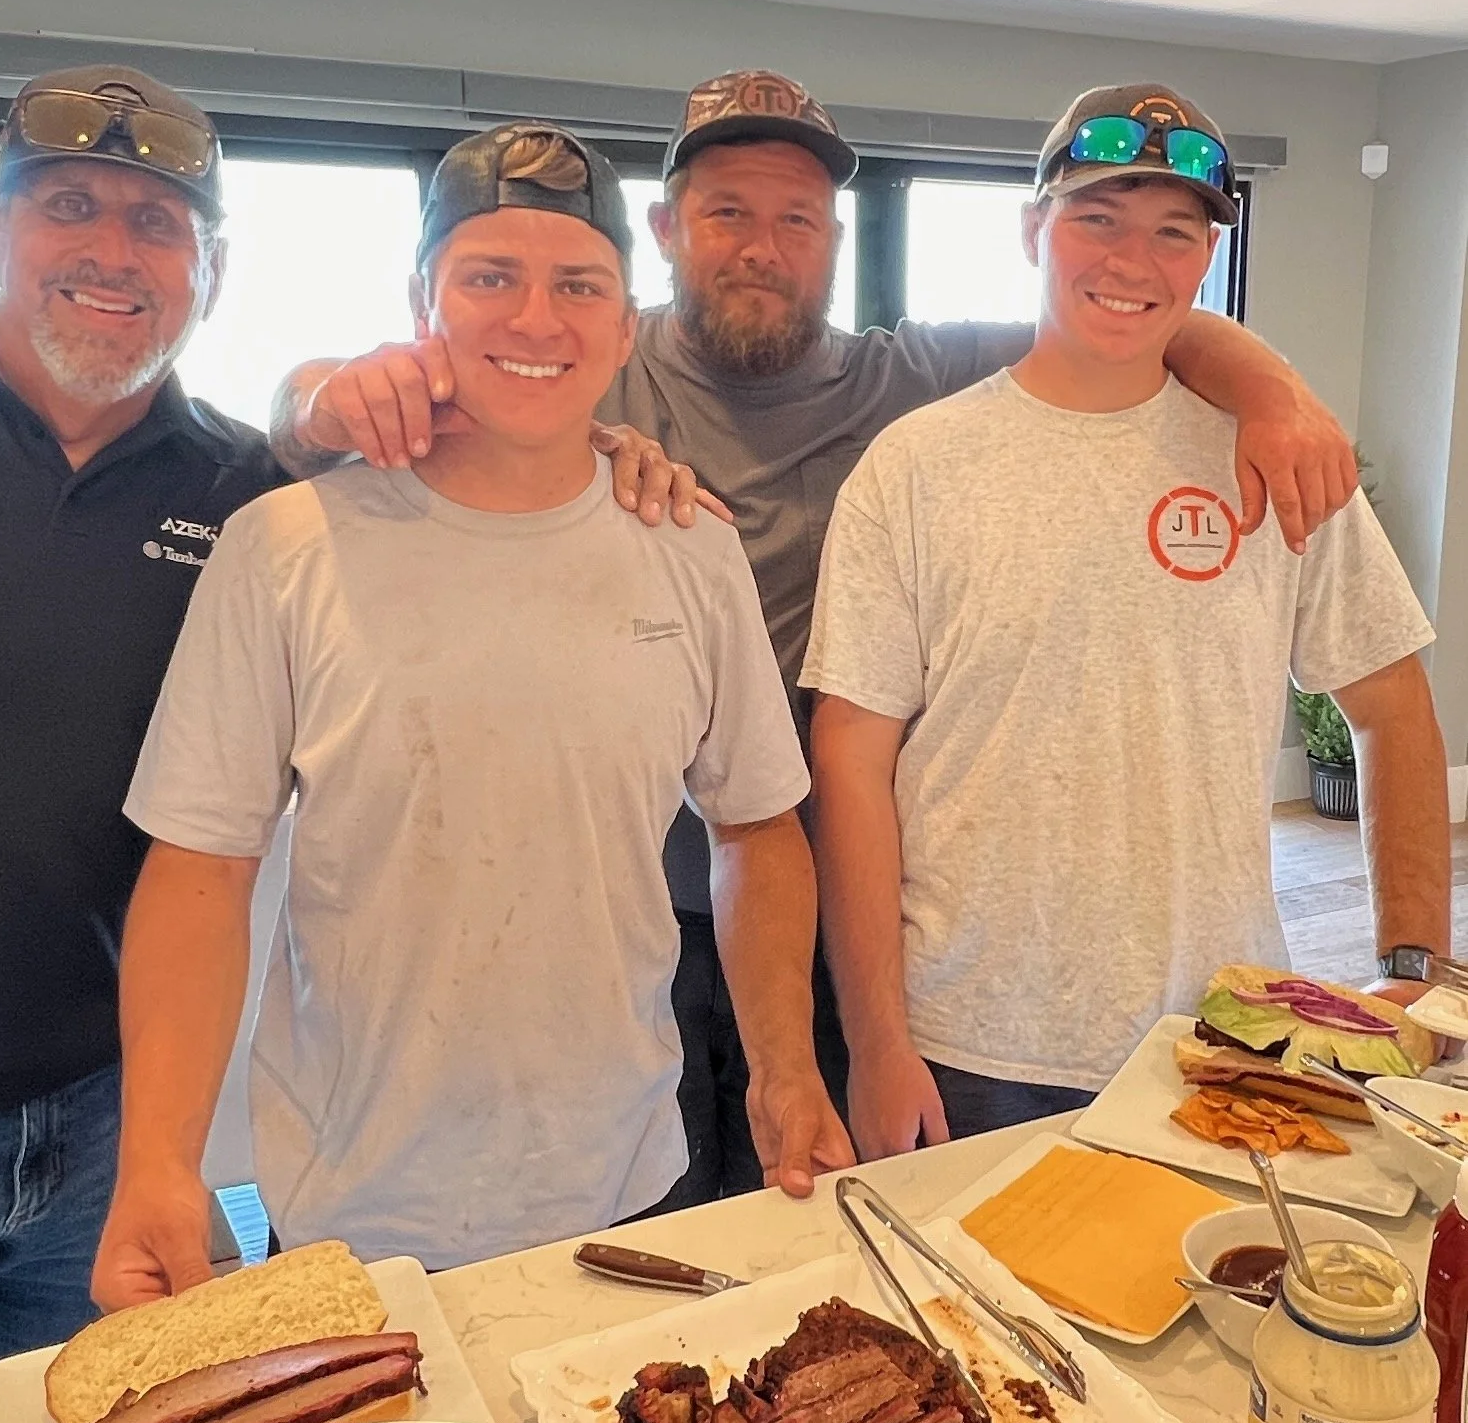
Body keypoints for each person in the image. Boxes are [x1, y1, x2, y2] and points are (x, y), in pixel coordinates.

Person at [0, 69, 701, 1423]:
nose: (114, 251)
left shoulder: (232, 491)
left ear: (210, 270)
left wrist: (611, 448)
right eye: (71, 208)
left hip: (105, 1116)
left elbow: (429, 470)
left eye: (161, 225)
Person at [270, 69, 1362, 1195]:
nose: (762, 245)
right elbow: (357, 402)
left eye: (796, 218)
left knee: (804, 1201)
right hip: (611, 905)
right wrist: (309, 393)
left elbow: (1135, 319)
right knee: (618, 1207)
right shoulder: (574, 357)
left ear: (833, 237)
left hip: (810, 891)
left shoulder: (907, 378)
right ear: (663, 228)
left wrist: (1278, 394)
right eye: (727, 211)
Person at [91, 122, 854, 1308]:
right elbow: (200, 868)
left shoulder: (690, 545)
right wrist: (158, 1162)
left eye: (577, 285)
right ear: (422, 301)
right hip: (357, 1203)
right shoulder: (284, 546)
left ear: (623, 323)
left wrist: (785, 1068)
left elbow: (756, 827)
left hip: (627, 1171)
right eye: (490, 277)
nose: (536, 321)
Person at [802, 83, 1449, 1152]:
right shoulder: (915, 467)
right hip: (967, 1042)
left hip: (1219, 1027)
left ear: (1202, 262)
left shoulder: (1272, 458)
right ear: (1032, 230)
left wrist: (1411, 966)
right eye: (1095, 217)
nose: (1130, 260)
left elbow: (1391, 703)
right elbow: (852, 758)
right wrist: (876, 1042)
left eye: (1171, 232)